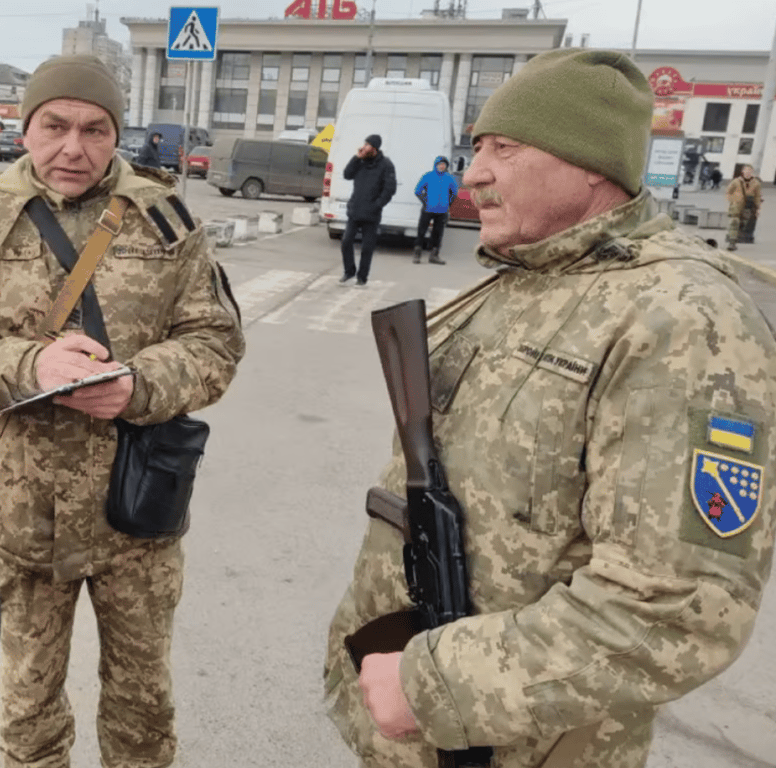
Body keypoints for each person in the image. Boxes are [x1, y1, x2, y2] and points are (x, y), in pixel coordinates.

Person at [325, 49, 776, 768]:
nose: (474, 172)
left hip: (518, 744)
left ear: (591, 163)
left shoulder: (683, 320)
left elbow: (680, 607)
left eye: (505, 148)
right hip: (424, 724)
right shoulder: (526, 278)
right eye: (476, 147)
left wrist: (436, 681)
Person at [0, 54, 245, 768]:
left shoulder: (165, 217)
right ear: (26, 127)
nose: (74, 147)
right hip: (23, 515)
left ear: (116, 133)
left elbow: (215, 342)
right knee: (29, 705)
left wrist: (140, 386)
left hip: (139, 514)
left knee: (142, 702)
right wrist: (27, 365)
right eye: (54, 125)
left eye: (96, 129)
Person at [339, 133, 397, 287]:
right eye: (364, 144)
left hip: (371, 213)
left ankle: (362, 277)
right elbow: (347, 175)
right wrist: (356, 158)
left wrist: (377, 205)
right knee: (346, 242)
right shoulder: (360, 161)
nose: (363, 147)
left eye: (367, 145)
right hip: (355, 210)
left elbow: (390, 189)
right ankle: (349, 270)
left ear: (375, 148)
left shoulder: (386, 165)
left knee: (367, 247)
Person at [412, 155, 459, 264]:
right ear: (435, 165)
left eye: (444, 165)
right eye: (440, 164)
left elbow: (454, 193)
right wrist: (425, 202)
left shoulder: (449, 178)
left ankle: (434, 256)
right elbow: (418, 191)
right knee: (421, 232)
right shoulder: (428, 176)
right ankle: (417, 255)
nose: (442, 166)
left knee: (438, 234)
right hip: (428, 209)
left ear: (446, 166)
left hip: (442, 211)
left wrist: (448, 204)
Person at [725, 163, 762, 251]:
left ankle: (734, 236)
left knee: (743, 224)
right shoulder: (736, 181)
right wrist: (734, 200)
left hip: (748, 207)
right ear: (743, 171)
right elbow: (728, 192)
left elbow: (757, 196)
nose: (748, 172)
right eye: (746, 170)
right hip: (736, 206)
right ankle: (732, 243)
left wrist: (758, 208)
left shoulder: (756, 183)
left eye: (750, 170)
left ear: (752, 172)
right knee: (734, 222)